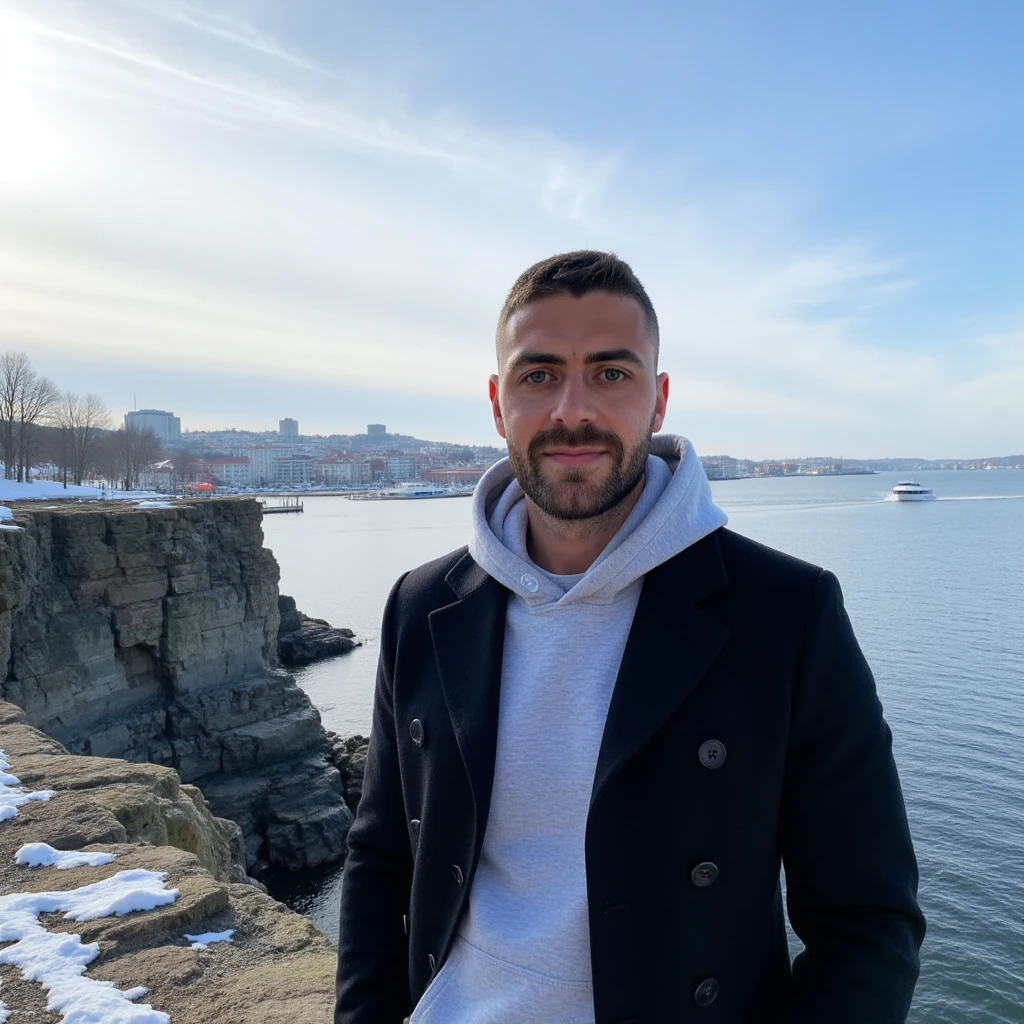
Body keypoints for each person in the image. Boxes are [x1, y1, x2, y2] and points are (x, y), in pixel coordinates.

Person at [335, 251, 925, 1023]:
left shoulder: (786, 612)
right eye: (538, 374)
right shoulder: (421, 605)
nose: (571, 410)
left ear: (659, 398)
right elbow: (383, 863)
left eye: (611, 374)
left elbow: (868, 923)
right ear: (496, 400)